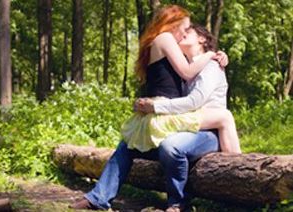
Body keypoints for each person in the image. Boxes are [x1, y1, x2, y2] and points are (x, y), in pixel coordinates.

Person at [70, 5, 227, 211]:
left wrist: (213, 55)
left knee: (144, 148)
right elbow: (187, 73)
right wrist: (211, 54)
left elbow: (191, 88)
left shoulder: (199, 61)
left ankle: (177, 202)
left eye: (189, 31)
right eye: (184, 27)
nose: (184, 33)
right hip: (171, 115)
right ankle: (99, 197)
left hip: (192, 122)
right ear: (173, 24)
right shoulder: (166, 39)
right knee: (126, 148)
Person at [123, 24, 242, 154]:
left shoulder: (211, 65)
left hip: (209, 131)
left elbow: (194, 102)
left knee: (170, 147)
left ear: (201, 39)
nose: (182, 34)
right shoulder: (185, 70)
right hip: (189, 126)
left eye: (188, 31)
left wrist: (155, 106)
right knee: (133, 142)